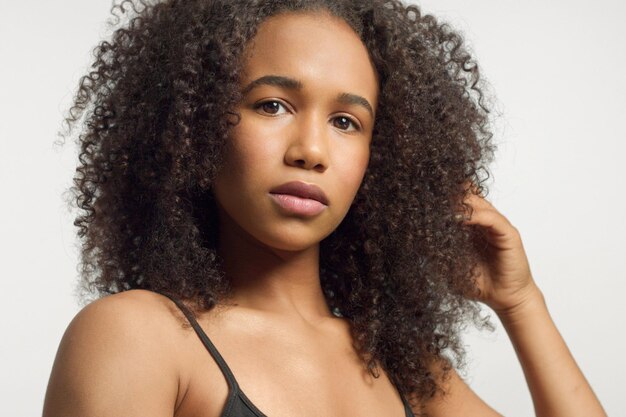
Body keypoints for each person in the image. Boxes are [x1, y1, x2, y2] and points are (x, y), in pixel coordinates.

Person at [43, 0, 607, 416]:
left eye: (346, 122)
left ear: (378, 159)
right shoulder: (137, 336)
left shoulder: (400, 366)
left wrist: (520, 303)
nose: (311, 151)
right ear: (192, 126)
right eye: (272, 105)